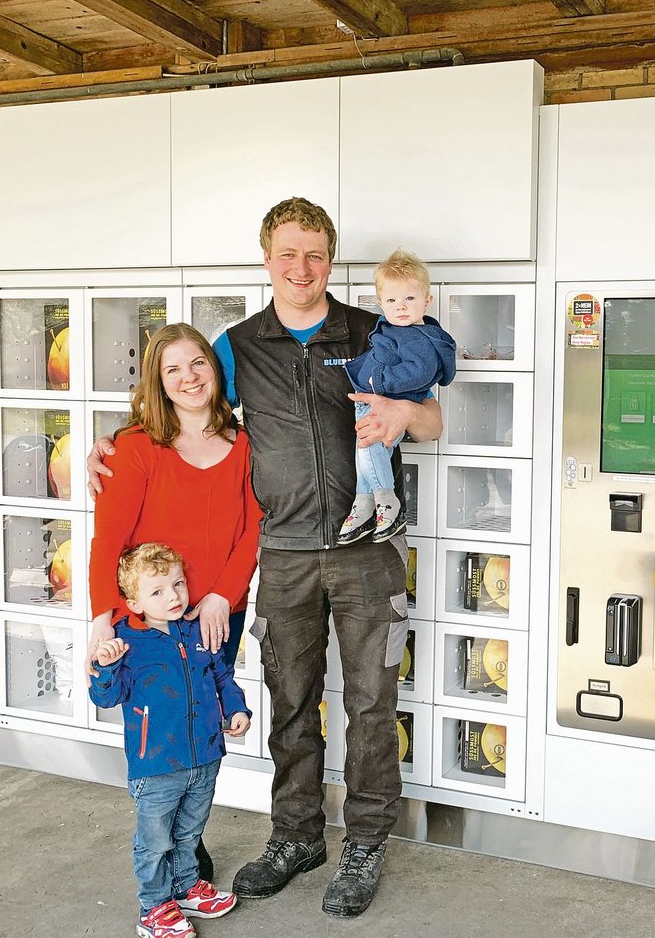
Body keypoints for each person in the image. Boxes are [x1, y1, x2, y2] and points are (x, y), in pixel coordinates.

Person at [88, 197, 442, 919]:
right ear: (266, 260)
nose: (301, 268)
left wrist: (407, 413)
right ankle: (296, 835)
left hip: (368, 550)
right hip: (281, 554)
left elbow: (432, 414)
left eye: (315, 254)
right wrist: (113, 444)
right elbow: (184, 398)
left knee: (374, 704)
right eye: (288, 254)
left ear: (330, 261)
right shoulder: (241, 344)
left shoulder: (371, 328)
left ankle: (367, 840)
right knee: (291, 702)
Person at [87, 321, 263, 883]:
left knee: (204, 720)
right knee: (159, 738)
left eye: (199, 364)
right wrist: (102, 620)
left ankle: (189, 848)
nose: (189, 378)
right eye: (173, 370)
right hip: (148, 624)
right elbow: (108, 541)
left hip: (214, 616)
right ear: (158, 383)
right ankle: (162, 870)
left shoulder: (245, 448)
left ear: (217, 371)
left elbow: (252, 529)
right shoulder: (136, 449)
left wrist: (220, 597)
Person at [90, 542, 252, 938]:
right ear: (133, 601)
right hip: (157, 764)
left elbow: (220, 677)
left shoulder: (196, 630)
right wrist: (106, 666)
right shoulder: (126, 642)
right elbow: (106, 697)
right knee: (155, 840)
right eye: (158, 592)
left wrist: (236, 709)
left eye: (178, 584)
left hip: (205, 756)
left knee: (190, 831)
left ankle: (184, 887)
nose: (174, 596)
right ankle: (154, 906)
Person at [337, 248, 455, 544]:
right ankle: (364, 502)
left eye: (410, 299)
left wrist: (379, 382)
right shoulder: (391, 329)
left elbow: (419, 374)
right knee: (364, 449)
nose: (400, 307)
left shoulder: (418, 338)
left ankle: (386, 500)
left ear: (427, 301)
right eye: (391, 300)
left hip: (382, 399)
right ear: (380, 303)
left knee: (369, 447)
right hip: (373, 398)